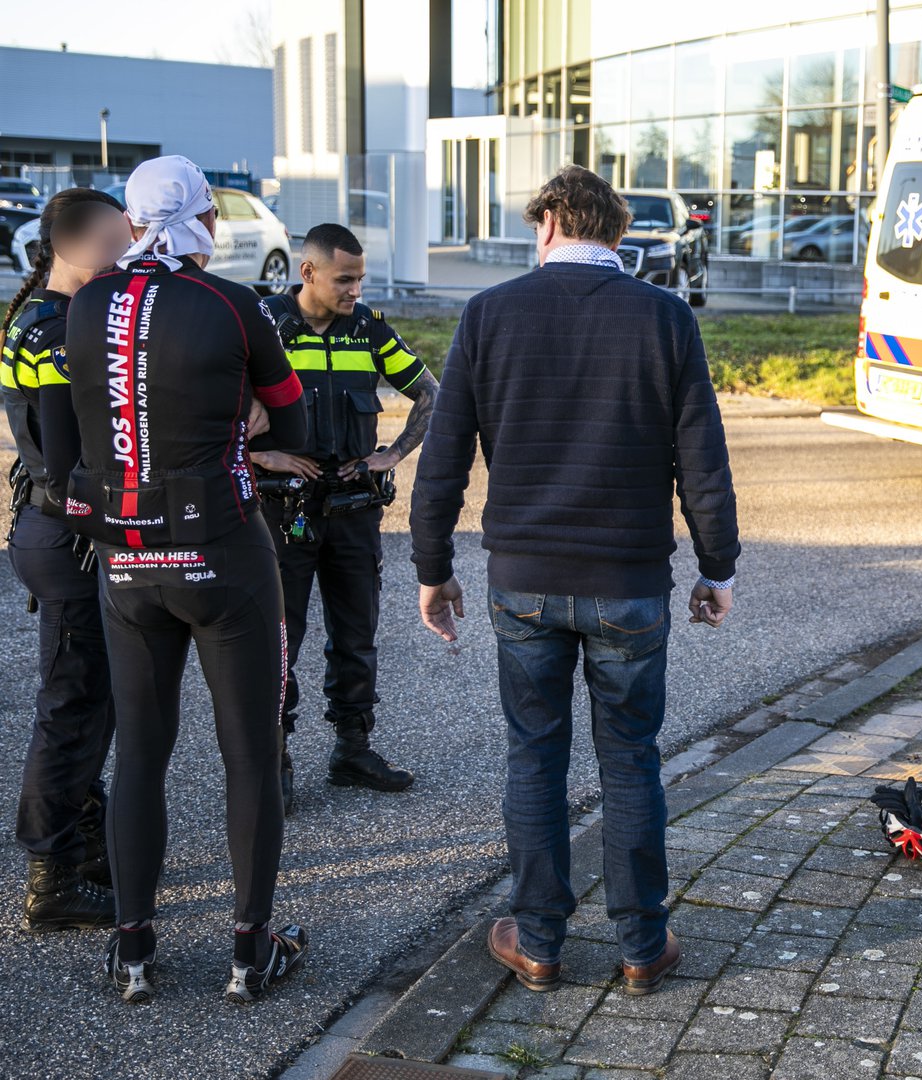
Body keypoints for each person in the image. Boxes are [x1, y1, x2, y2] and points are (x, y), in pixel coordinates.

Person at [410, 165, 740, 997]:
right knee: (631, 760)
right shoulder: (665, 318)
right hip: (629, 581)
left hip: (523, 581)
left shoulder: (489, 315)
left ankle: (542, 944)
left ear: (552, 220)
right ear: (616, 232)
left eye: (535, 224)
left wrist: (433, 570)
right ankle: (640, 946)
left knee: (535, 757)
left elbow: (443, 458)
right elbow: (700, 457)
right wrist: (716, 566)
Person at [54, 155, 311, 1004]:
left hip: (126, 557)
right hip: (222, 554)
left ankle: (132, 952)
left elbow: (85, 418)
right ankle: (249, 949)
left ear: (131, 222)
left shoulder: (88, 301)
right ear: (204, 219)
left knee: (141, 753)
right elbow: (293, 414)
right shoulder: (235, 304)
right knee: (248, 757)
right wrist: (238, 414)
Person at [251, 223, 437, 812]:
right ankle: (274, 757)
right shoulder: (264, 328)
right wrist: (259, 453)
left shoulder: (369, 332)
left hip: (355, 513)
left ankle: (351, 750)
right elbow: (201, 406)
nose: (356, 289)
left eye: (361, 278)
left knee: (356, 638)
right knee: (279, 640)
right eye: (345, 279)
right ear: (307, 273)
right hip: (283, 514)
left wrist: (393, 453)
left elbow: (433, 394)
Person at [1, 188, 129, 933]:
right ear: (76, 245)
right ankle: (51, 877)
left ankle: (87, 843)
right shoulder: (52, 329)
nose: (128, 255)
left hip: (61, 536)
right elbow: (70, 460)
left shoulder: (60, 318)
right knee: (73, 709)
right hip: (68, 538)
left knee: (89, 703)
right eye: (118, 242)